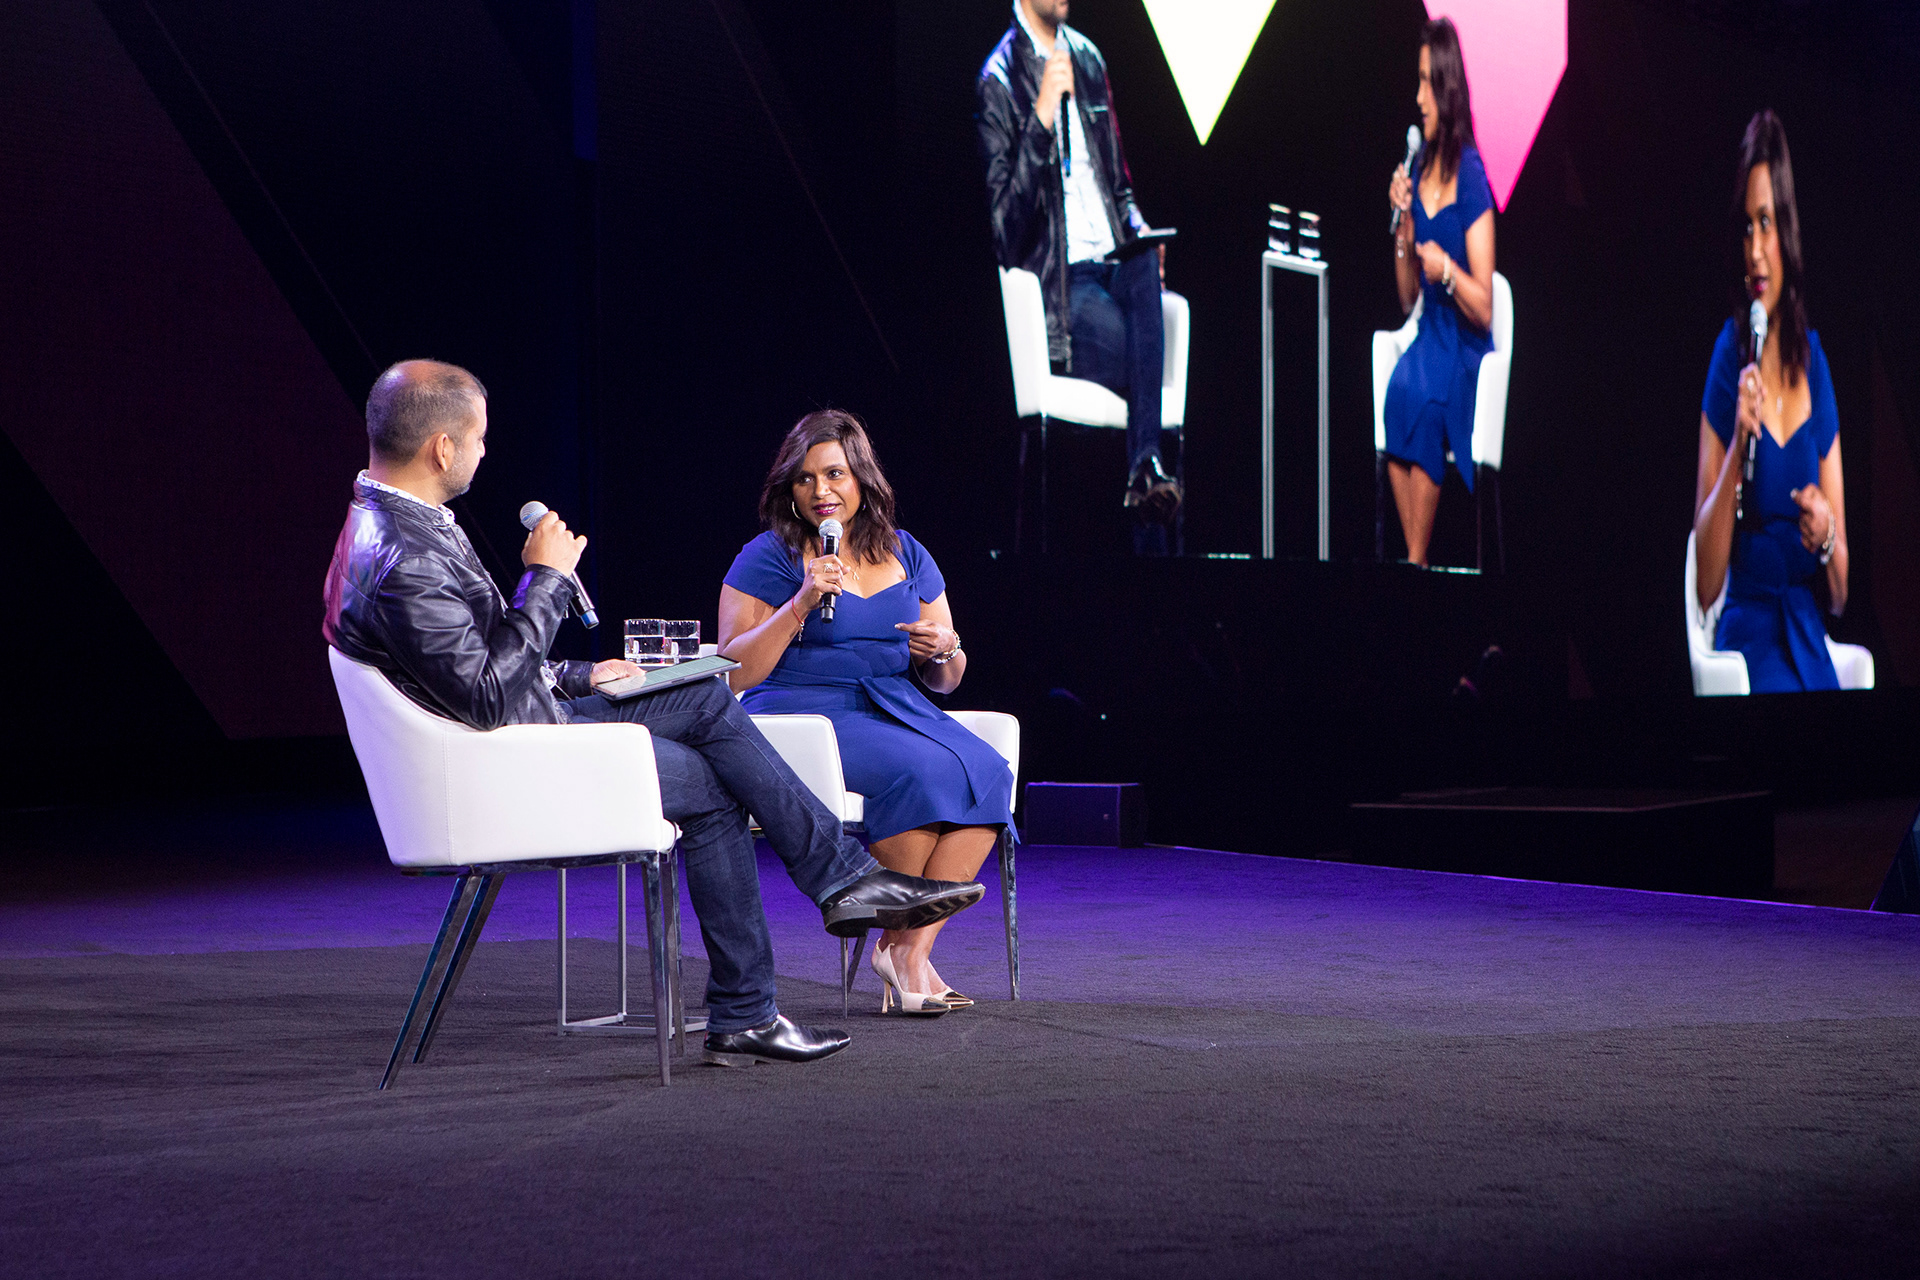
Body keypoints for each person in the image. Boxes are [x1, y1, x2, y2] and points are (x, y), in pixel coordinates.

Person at [322, 361, 984, 1068]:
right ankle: (821, 908)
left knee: (702, 716)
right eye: (479, 438)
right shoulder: (403, 554)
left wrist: (584, 671)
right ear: (442, 449)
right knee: (713, 756)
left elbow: (472, 670)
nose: (486, 451)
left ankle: (769, 981)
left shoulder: (403, 525)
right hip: (500, 766)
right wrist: (545, 582)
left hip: (520, 735)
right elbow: (484, 695)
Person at [717, 411, 1016, 1016]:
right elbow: (736, 669)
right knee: (920, 775)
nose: (821, 491)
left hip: (897, 704)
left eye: (835, 474)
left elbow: (947, 678)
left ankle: (906, 949)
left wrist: (947, 649)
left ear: (863, 479)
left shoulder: (906, 551)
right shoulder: (768, 557)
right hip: (805, 712)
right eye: (805, 479)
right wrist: (801, 602)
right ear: (789, 489)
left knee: (989, 770)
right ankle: (905, 955)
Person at [977, 0, 1181, 550]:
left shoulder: (1088, 58)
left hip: (1115, 266)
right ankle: (1149, 480)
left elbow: (1121, 188)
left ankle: (1144, 470)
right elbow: (1004, 230)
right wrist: (1041, 119)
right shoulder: (999, 79)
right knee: (1146, 363)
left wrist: (1140, 233)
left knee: (1143, 260)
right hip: (1062, 286)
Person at [1692, 111, 1849, 692]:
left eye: (1767, 224)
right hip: (1749, 639)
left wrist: (1826, 532)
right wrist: (1738, 446)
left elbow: (1840, 592)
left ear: (1788, 231)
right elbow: (1706, 587)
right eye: (1746, 228)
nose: (1755, 251)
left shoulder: (1816, 363)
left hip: (1807, 633)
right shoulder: (1727, 359)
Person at [1383, 17, 1497, 567]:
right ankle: (1416, 567)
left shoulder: (1471, 173)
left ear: (1448, 89)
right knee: (1397, 393)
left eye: (1429, 84)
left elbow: (1485, 304)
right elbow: (1407, 298)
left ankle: (1414, 562)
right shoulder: (1418, 163)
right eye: (1418, 82)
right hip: (1430, 336)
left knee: (1426, 405)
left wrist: (1447, 269)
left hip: (1467, 348)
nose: (1419, 98)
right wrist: (1404, 227)